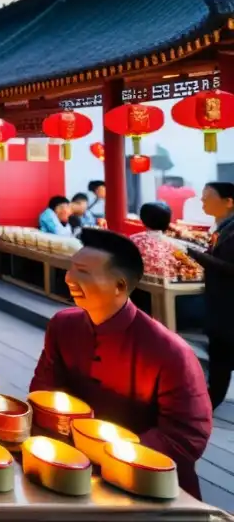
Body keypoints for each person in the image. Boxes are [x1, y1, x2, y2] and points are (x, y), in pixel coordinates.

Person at [30, 228, 212, 499]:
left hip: (145, 482)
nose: (69, 278)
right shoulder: (62, 326)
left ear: (120, 286)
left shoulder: (169, 352)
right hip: (71, 465)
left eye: (84, 272)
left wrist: (113, 453)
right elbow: (44, 388)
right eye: (71, 268)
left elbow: (186, 436)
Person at [190, 181, 234, 410]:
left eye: (208, 197)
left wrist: (197, 255)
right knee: (220, 356)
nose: (203, 201)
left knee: (222, 355)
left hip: (228, 305)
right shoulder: (222, 226)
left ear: (228, 202)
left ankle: (207, 403)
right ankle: (208, 401)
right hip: (220, 303)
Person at [130, 202, 184, 281]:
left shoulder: (133, 240)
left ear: (143, 220)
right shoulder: (176, 246)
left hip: (139, 285)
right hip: (167, 287)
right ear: (168, 221)